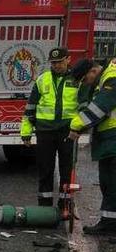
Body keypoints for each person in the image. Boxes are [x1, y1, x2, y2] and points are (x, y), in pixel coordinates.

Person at [20, 47, 81, 211]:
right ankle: (45, 207)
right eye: (53, 63)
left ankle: (65, 205)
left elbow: (83, 105)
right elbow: (30, 107)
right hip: (45, 131)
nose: (56, 66)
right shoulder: (42, 79)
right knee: (45, 170)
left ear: (68, 59)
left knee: (66, 170)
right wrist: (26, 131)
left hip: (67, 131)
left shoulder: (77, 79)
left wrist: (80, 126)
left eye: (59, 62)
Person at [70, 59, 116, 235]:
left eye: (84, 80)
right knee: (108, 183)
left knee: (112, 183)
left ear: (93, 71)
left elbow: (100, 108)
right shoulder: (104, 79)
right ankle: (109, 224)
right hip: (109, 140)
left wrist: (76, 125)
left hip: (113, 139)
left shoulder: (112, 77)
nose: (85, 84)